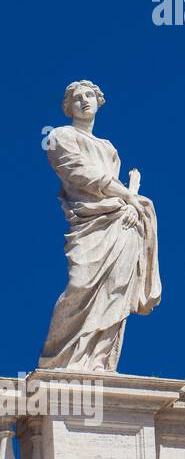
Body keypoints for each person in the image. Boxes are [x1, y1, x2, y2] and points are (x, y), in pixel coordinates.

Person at [41, 80, 161, 372]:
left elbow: (109, 183)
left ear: (99, 100)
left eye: (89, 95)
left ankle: (100, 362)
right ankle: (60, 362)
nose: (84, 101)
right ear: (68, 107)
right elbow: (80, 174)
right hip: (90, 222)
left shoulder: (109, 149)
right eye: (77, 98)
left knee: (116, 289)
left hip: (121, 223)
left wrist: (131, 204)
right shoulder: (60, 137)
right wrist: (128, 196)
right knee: (81, 285)